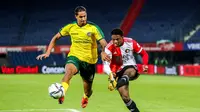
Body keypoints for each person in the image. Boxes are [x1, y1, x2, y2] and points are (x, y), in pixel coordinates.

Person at [36, 6, 110, 108]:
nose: (83, 19)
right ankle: (62, 93)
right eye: (81, 17)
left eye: (85, 16)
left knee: (88, 90)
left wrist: (103, 52)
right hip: (74, 56)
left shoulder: (93, 28)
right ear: (76, 16)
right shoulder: (70, 27)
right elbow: (55, 37)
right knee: (69, 72)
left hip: (90, 62)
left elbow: (104, 43)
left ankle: (85, 97)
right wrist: (48, 52)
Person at [103, 28, 149, 112]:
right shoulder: (109, 47)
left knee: (129, 71)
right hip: (117, 73)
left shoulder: (131, 42)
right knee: (125, 97)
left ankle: (122, 80)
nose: (115, 41)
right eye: (113, 39)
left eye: (117, 39)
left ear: (122, 37)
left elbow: (144, 54)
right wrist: (111, 75)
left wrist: (145, 64)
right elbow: (105, 66)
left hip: (130, 67)